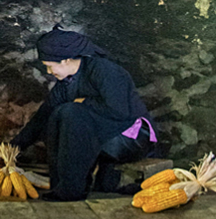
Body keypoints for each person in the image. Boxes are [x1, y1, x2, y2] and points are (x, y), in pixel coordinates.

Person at [11, 25, 158, 201]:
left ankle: (72, 190)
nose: (49, 72)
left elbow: (120, 111)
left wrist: (84, 104)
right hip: (104, 137)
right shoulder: (65, 84)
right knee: (55, 115)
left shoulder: (104, 70)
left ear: (65, 60)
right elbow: (42, 118)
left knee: (71, 112)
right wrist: (13, 148)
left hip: (133, 138)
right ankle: (61, 186)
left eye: (50, 66)